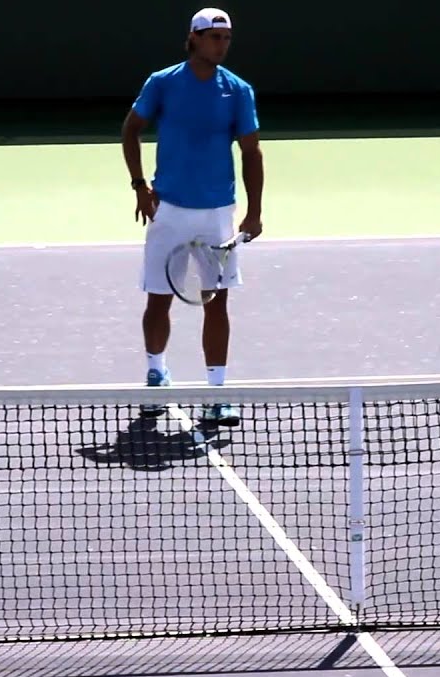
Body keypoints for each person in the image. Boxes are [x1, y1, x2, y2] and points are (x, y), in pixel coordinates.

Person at [121, 7, 264, 427]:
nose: (222, 44)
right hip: (169, 211)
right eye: (215, 36)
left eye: (227, 38)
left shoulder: (237, 90)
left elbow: (251, 152)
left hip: (217, 213)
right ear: (195, 38)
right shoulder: (162, 83)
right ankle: (156, 375)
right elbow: (131, 128)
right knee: (158, 298)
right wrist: (139, 185)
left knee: (217, 303)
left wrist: (254, 212)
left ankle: (215, 392)